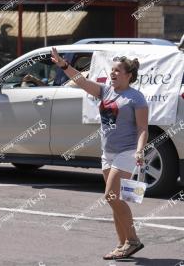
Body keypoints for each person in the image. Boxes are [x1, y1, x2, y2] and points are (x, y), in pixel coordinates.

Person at [51, 47, 148, 260]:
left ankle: (133, 240)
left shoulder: (136, 98)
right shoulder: (105, 91)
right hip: (108, 152)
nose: (112, 73)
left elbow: (142, 128)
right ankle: (122, 244)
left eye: (117, 71)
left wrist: (140, 150)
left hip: (127, 152)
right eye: (111, 70)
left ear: (128, 75)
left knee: (110, 196)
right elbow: (81, 81)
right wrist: (64, 65)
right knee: (115, 200)